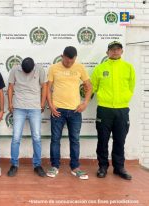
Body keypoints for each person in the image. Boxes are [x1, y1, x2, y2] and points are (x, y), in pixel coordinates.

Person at [91, 41, 135, 180]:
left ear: (122, 51)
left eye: (118, 49)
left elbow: (131, 86)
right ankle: (102, 166)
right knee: (102, 140)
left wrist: (125, 97)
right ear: (107, 52)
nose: (115, 52)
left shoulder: (128, 67)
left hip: (122, 110)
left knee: (120, 140)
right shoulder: (100, 69)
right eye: (112, 49)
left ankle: (119, 167)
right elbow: (93, 87)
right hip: (104, 110)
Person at [47, 46, 92, 180]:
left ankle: (75, 167)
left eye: (71, 62)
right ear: (62, 56)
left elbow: (89, 87)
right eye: (67, 61)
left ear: (75, 59)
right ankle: (55, 166)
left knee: (75, 139)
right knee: (55, 139)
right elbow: (48, 89)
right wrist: (51, 105)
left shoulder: (80, 68)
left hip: (75, 110)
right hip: (58, 110)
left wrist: (85, 103)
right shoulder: (53, 68)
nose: (69, 64)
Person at [7, 57, 47, 177]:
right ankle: (14, 164)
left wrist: (42, 103)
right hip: (19, 107)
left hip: (35, 107)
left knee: (36, 137)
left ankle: (37, 165)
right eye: (24, 71)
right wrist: (10, 103)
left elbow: (44, 86)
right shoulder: (15, 69)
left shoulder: (40, 69)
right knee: (16, 137)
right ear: (21, 67)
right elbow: (10, 87)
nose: (26, 74)